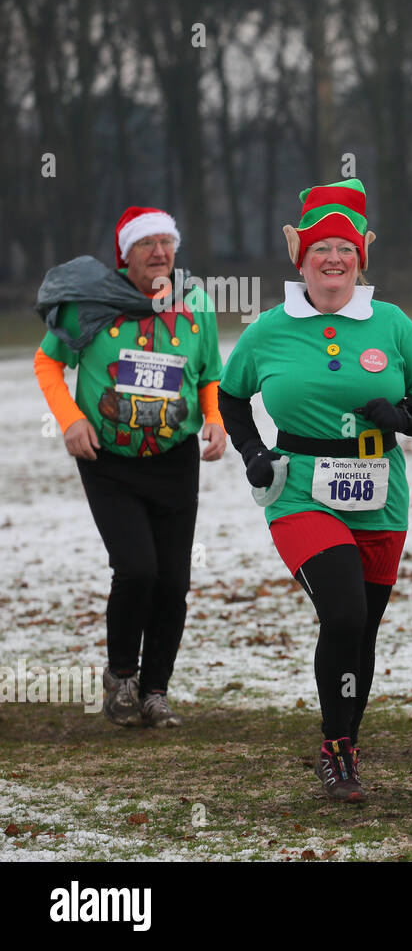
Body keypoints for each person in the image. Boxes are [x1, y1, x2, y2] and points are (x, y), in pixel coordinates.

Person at [218, 179, 412, 804]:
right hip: (300, 492)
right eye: (320, 247)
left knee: (361, 630)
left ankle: (347, 739)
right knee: (342, 612)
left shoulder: (390, 323)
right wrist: (254, 452)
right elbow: (231, 396)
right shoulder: (269, 329)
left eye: (344, 248)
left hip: (380, 490)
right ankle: (335, 749)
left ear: (360, 258)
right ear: (302, 257)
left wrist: (401, 419)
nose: (333, 259)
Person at [33, 207, 226, 728]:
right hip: (108, 461)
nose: (159, 253)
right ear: (125, 253)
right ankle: (121, 676)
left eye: (167, 242)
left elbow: (209, 372)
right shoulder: (92, 303)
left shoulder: (195, 303)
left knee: (173, 581)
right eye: (147, 244)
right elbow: (48, 361)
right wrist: (70, 420)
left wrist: (215, 419)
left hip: (175, 460)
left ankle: (155, 690)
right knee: (138, 568)